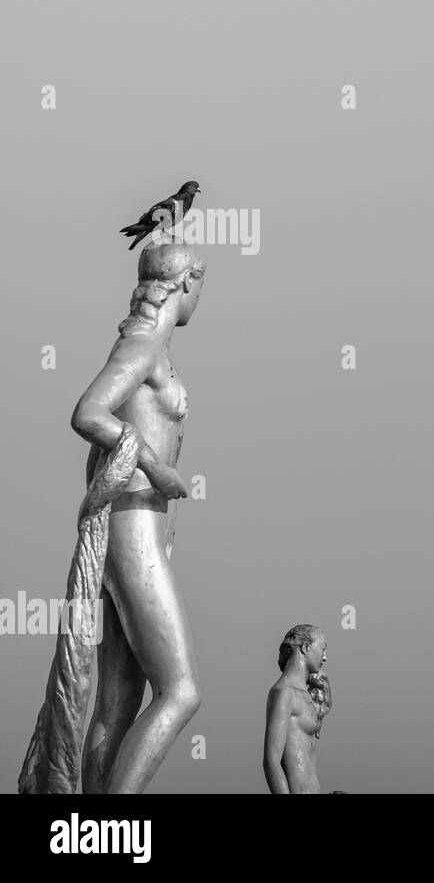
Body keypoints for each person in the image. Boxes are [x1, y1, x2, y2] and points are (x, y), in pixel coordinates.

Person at [74, 240, 207, 794]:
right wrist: (153, 467)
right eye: (201, 285)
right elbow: (87, 413)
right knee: (180, 692)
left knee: (119, 698)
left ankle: (88, 830)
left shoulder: (151, 350)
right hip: (133, 531)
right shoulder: (142, 350)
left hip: (139, 532)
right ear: (185, 283)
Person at [264, 625, 333, 794]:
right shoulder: (284, 693)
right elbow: (271, 761)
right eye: (322, 649)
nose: (325, 657)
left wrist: (326, 688)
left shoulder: (305, 695)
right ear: (306, 647)